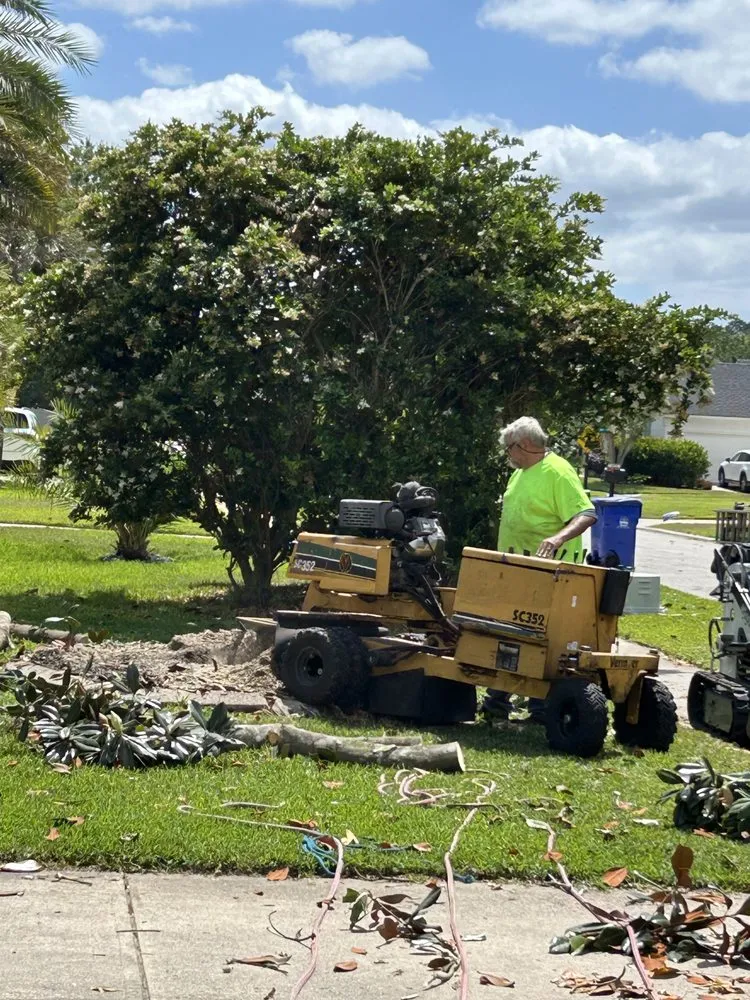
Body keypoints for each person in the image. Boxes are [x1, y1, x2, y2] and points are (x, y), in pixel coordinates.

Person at [483, 416, 598, 723]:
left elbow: (586, 513)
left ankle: (540, 707)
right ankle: (497, 699)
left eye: (509, 449)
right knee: (509, 633)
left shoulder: (558, 471)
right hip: (518, 569)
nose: (508, 455)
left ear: (524, 445)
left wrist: (557, 538)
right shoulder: (519, 473)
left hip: (552, 574)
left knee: (543, 640)